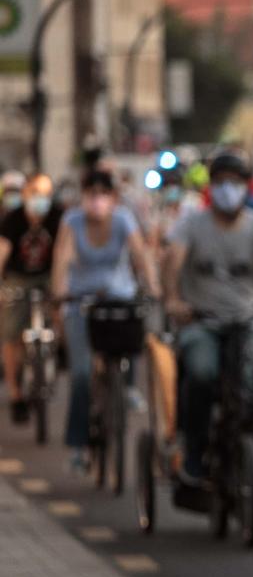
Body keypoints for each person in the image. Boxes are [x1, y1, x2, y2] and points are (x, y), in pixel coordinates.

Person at [161, 153, 253, 489]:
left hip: (245, 320)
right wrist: (172, 299)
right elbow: (173, 261)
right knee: (200, 373)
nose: (229, 189)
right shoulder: (191, 224)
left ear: (247, 187)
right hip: (201, 322)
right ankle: (194, 452)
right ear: (211, 187)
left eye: (236, 182)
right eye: (221, 182)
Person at [50, 168, 159, 473]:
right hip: (80, 303)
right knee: (82, 375)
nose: (97, 200)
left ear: (113, 197)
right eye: (91, 194)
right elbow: (62, 258)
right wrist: (59, 293)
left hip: (117, 298)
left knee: (129, 335)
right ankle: (78, 444)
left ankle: (125, 387)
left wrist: (153, 286)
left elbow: (141, 255)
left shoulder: (124, 219)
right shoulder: (72, 221)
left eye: (103, 194)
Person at [1, 173, 62, 422]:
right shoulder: (13, 219)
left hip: (49, 275)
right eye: (35, 193)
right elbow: (3, 250)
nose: (40, 199)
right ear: (26, 194)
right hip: (19, 277)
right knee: (11, 333)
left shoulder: (57, 216)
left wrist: (62, 286)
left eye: (45, 194)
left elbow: (63, 252)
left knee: (62, 310)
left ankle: (60, 349)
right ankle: (16, 394)